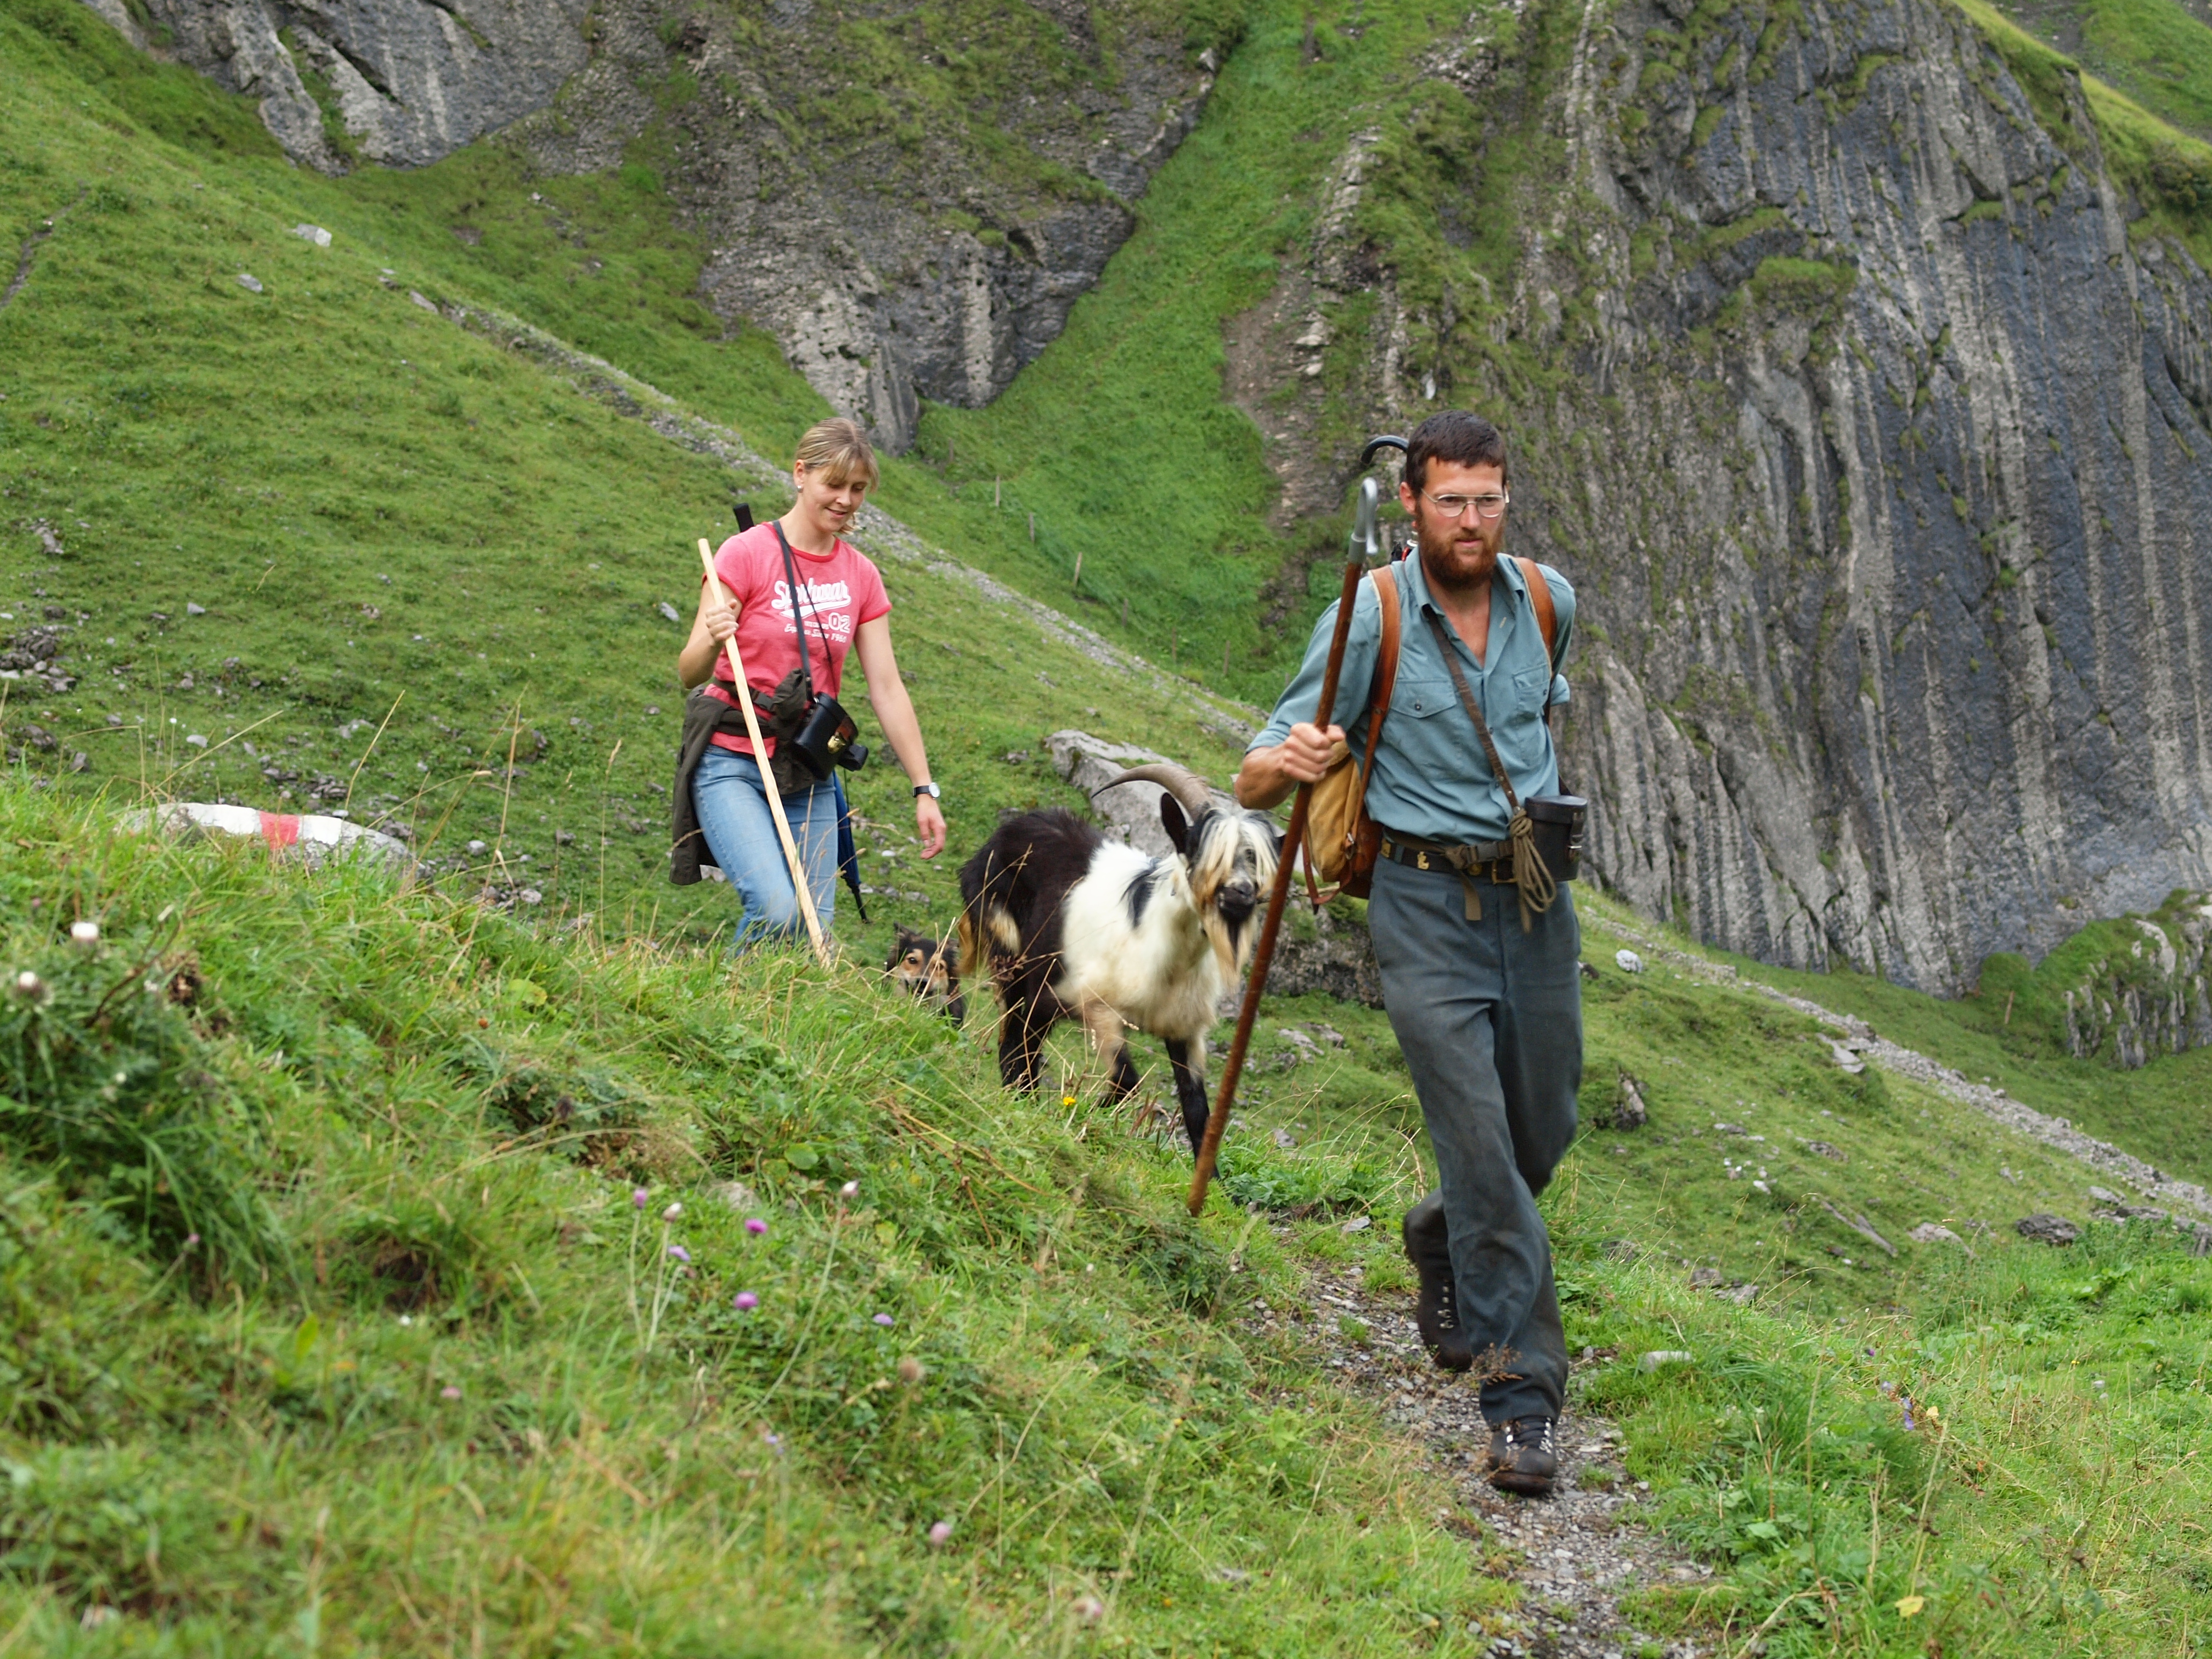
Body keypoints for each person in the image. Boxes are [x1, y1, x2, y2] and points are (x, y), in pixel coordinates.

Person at [1236, 410, 1579, 1496]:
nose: (1470, 522)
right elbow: (1256, 772)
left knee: (1543, 1128)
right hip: (1421, 907)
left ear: (1504, 499)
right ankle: (1520, 1401)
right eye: (1450, 503)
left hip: (1534, 901)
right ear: (1416, 506)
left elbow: (1538, 725)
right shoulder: (1373, 614)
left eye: (1487, 501)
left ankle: (1441, 1235)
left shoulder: (1550, 602)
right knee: (1480, 1146)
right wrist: (1289, 759)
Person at [675, 417, 946, 945]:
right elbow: (690, 670)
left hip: (807, 767)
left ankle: (760, 1021)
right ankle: (720, 1012)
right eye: (834, 484)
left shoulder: (860, 575)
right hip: (732, 758)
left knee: (813, 931)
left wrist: (923, 788)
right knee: (777, 909)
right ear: (801, 474)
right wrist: (711, 637)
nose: (846, 500)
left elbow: (886, 686)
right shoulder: (745, 554)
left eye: (859, 489)